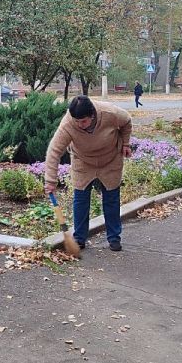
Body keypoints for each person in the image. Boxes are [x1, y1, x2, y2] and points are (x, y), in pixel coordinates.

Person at [44, 95, 133, 252]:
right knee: (81, 200)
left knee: (111, 198)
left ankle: (114, 238)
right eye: (76, 121)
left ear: (92, 115)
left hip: (110, 158)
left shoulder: (109, 113)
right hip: (83, 160)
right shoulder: (68, 124)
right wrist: (50, 180)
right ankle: (79, 238)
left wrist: (125, 143)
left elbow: (126, 121)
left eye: (83, 121)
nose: (79, 125)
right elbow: (54, 151)